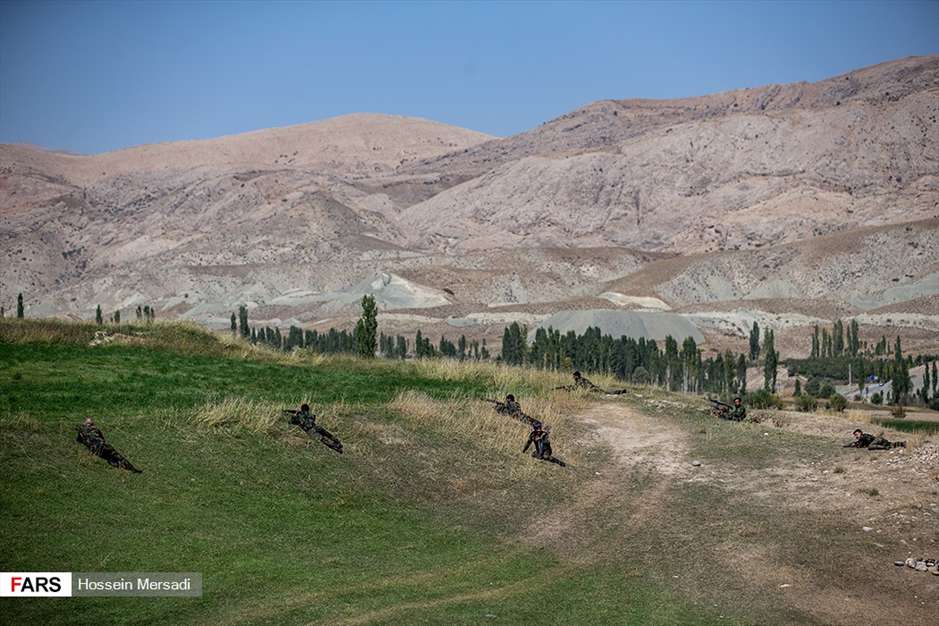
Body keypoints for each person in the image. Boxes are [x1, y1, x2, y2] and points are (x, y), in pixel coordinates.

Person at [75, 418, 142, 473]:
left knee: (108, 458)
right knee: (117, 456)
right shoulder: (95, 429)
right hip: (102, 445)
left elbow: (78, 440)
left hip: (94, 449)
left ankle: (122, 467)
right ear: (92, 425)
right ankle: (131, 468)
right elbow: (103, 439)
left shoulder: (82, 431)